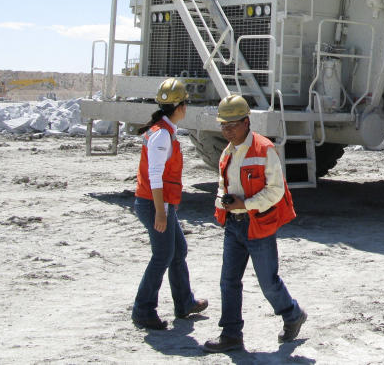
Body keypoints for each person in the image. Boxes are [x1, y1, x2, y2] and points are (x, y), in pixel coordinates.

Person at [203, 94, 306, 353]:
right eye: (223, 125)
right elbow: (222, 185)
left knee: (268, 282)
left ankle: (292, 314)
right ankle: (231, 334)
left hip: (257, 226)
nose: (227, 130)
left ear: (246, 122)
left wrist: (244, 204)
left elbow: (276, 191)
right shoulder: (227, 153)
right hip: (234, 227)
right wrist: (222, 204)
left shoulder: (264, 150)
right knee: (228, 281)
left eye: (232, 124)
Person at [131, 77, 208, 330]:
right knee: (163, 255)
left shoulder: (163, 131)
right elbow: (155, 175)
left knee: (178, 251)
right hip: (154, 203)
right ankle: (143, 310)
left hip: (161, 203)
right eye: (186, 103)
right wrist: (162, 213)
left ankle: (184, 302)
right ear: (181, 107)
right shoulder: (162, 136)